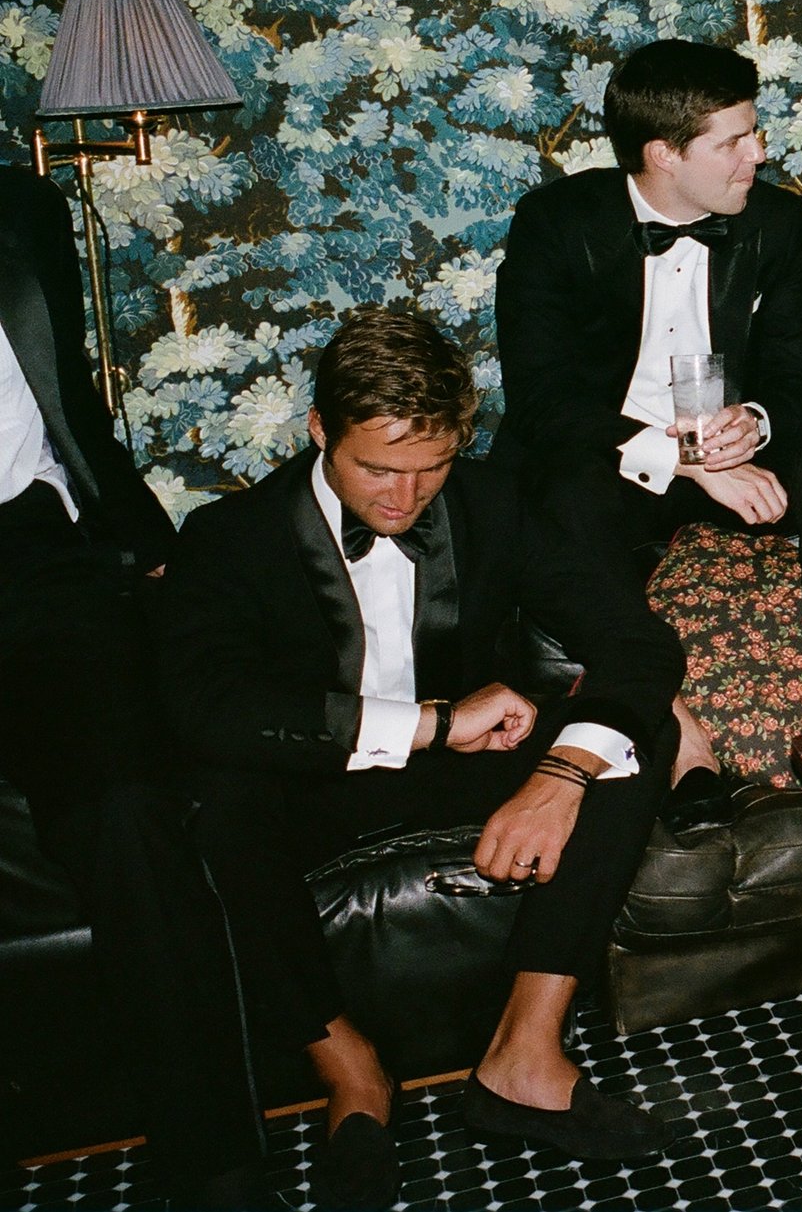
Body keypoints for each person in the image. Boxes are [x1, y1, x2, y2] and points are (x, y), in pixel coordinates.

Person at [160, 309, 684, 1204]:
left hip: (469, 763)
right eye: (377, 468)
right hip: (314, 776)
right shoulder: (227, 535)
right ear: (320, 429)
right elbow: (210, 708)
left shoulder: (492, 503)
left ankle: (524, 1053)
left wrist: (558, 779)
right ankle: (351, 1071)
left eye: (430, 467)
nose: (404, 497)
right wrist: (433, 721)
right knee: (215, 798)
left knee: (638, 737)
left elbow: (637, 643)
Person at [0, 167, 261, 1202]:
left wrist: (145, 545)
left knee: (127, 807)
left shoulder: (18, 208)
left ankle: (216, 1171)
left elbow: (67, 390)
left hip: (40, 557)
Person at [495, 38, 802, 806]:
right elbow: (543, 399)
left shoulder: (778, 223)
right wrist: (682, 459)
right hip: (616, 462)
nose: (760, 152)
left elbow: (799, 373)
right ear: (663, 154)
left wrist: (756, 421)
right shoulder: (555, 221)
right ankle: (678, 731)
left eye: (756, 129)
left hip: (734, 461)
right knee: (557, 492)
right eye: (735, 139)